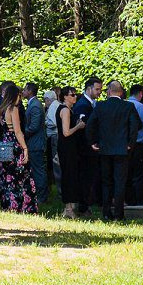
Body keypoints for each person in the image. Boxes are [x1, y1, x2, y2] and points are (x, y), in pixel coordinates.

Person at [86, 82, 137, 222]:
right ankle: (118, 214)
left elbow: (90, 125)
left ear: (109, 92)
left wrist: (93, 142)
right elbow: (134, 127)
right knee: (120, 182)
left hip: (105, 149)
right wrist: (130, 144)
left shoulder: (100, 106)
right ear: (121, 92)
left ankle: (106, 212)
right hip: (122, 149)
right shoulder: (128, 106)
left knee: (106, 181)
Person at [0, 82, 38, 214]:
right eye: (19, 95)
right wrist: (25, 148)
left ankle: (8, 204)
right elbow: (17, 131)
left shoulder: (2, 109)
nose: (21, 98)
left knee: (6, 176)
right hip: (14, 145)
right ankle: (22, 206)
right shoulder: (14, 109)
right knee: (22, 176)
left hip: (3, 144)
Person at [56, 87, 95, 219]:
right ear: (65, 97)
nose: (75, 97)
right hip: (67, 148)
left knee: (70, 175)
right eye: (72, 95)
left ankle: (70, 207)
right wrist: (78, 126)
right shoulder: (65, 110)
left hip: (68, 147)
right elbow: (66, 132)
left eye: (76, 95)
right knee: (69, 176)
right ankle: (68, 208)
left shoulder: (67, 110)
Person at [22, 85, 53, 206]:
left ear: (30, 91)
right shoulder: (33, 103)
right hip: (35, 143)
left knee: (38, 171)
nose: (23, 92)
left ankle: (42, 197)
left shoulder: (35, 105)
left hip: (35, 144)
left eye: (24, 90)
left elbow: (33, 127)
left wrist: (21, 134)